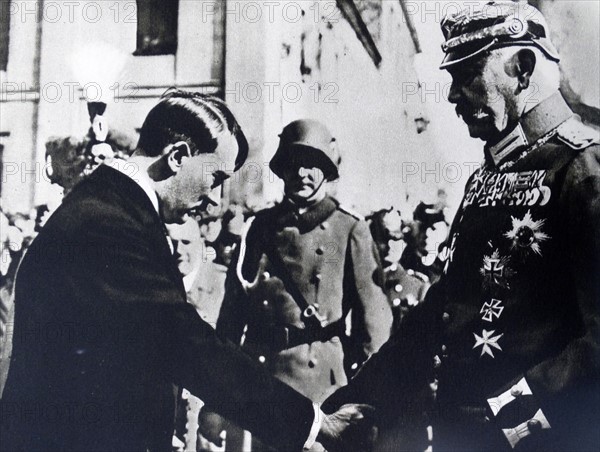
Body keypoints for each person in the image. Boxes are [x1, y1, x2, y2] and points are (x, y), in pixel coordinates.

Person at [0, 90, 374, 452]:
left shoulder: (112, 206)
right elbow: (183, 341)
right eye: (215, 179)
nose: (213, 199)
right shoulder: (109, 223)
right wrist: (315, 425)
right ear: (178, 156)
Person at [323, 2, 600, 451]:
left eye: (468, 74)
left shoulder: (582, 167)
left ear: (523, 68)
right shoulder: (486, 176)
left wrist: (512, 421)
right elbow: (443, 308)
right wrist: (355, 400)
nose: (453, 95)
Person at [211, 119, 392, 450]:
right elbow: (231, 318)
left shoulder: (349, 229)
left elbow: (375, 323)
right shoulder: (258, 228)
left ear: (326, 171)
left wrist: (370, 397)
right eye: (293, 164)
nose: (302, 174)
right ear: (282, 170)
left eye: (313, 164)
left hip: (322, 389)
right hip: (261, 383)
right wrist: (215, 399)